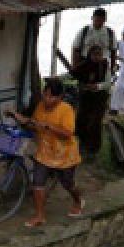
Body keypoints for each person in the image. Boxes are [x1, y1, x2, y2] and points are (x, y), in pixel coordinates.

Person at [11, 77, 84, 225]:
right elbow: (35, 124)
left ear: (60, 97)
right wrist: (23, 120)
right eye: (45, 95)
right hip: (44, 152)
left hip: (64, 155)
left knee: (68, 184)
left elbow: (68, 133)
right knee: (37, 182)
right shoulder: (40, 106)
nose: (47, 99)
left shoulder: (66, 110)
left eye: (51, 96)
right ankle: (39, 216)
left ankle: (78, 201)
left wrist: (48, 126)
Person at [73, 44, 110, 154]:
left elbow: (108, 83)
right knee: (81, 120)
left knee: (95, 122)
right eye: (95, 55)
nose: (97, 57)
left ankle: (93, 149)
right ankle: (82, 144)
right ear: (90, 55)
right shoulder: (84, 65)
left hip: (99, 98)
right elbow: (72, 74)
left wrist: (97, 86)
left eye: (99, 55)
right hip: (86, 97)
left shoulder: (104, 66)